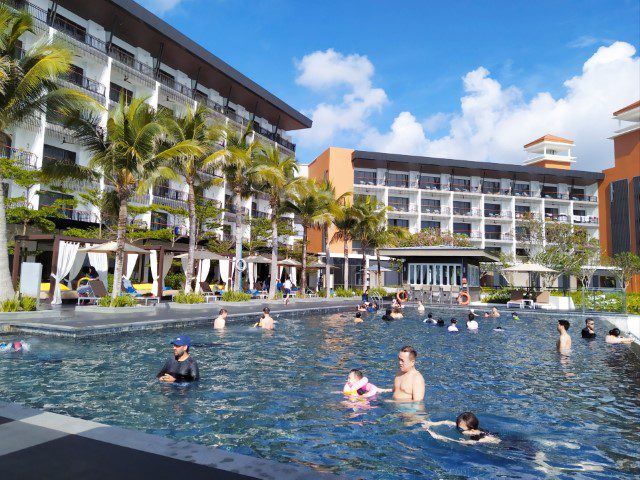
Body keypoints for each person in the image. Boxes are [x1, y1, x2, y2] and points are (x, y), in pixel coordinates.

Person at [423, 412, 500, 445]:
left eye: (460, 429)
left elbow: (455, 441)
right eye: (457, 426)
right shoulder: (466, 428)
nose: (457, 429)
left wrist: (436, 436)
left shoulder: (482, 439)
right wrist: (431, 423)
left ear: (472, 430)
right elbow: (447, 422)